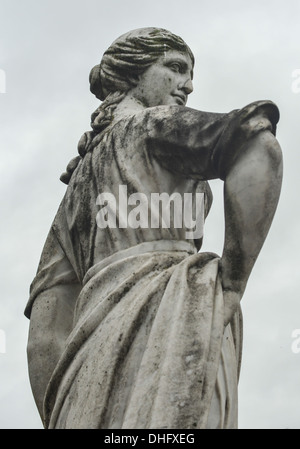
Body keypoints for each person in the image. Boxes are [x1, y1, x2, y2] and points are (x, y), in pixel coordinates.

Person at [25, 27, 283, 429]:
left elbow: (45, 327)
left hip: (88, 358)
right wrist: (232, 281)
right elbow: (258, 144)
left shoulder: (77, 188)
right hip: (176, 313)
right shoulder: (153, 125)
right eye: (175, 67)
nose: (189, 84)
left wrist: (61, 410)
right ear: (133, 73)